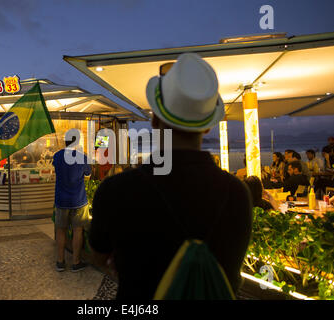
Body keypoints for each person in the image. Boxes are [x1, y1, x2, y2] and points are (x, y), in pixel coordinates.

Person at [88, 53, 252, 299]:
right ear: (207, 125)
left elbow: (99, 255)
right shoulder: (238, 192)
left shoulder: (116, 190)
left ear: (155, 120)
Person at [52, 135, 92, 272]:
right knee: (78, 230)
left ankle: (60, 262)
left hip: (61, 200)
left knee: (60, 230)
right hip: (78, 200)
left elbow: (55, 170)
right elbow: (88, 173)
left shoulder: (57, 156)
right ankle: (76, 262)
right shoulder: (82, 157)